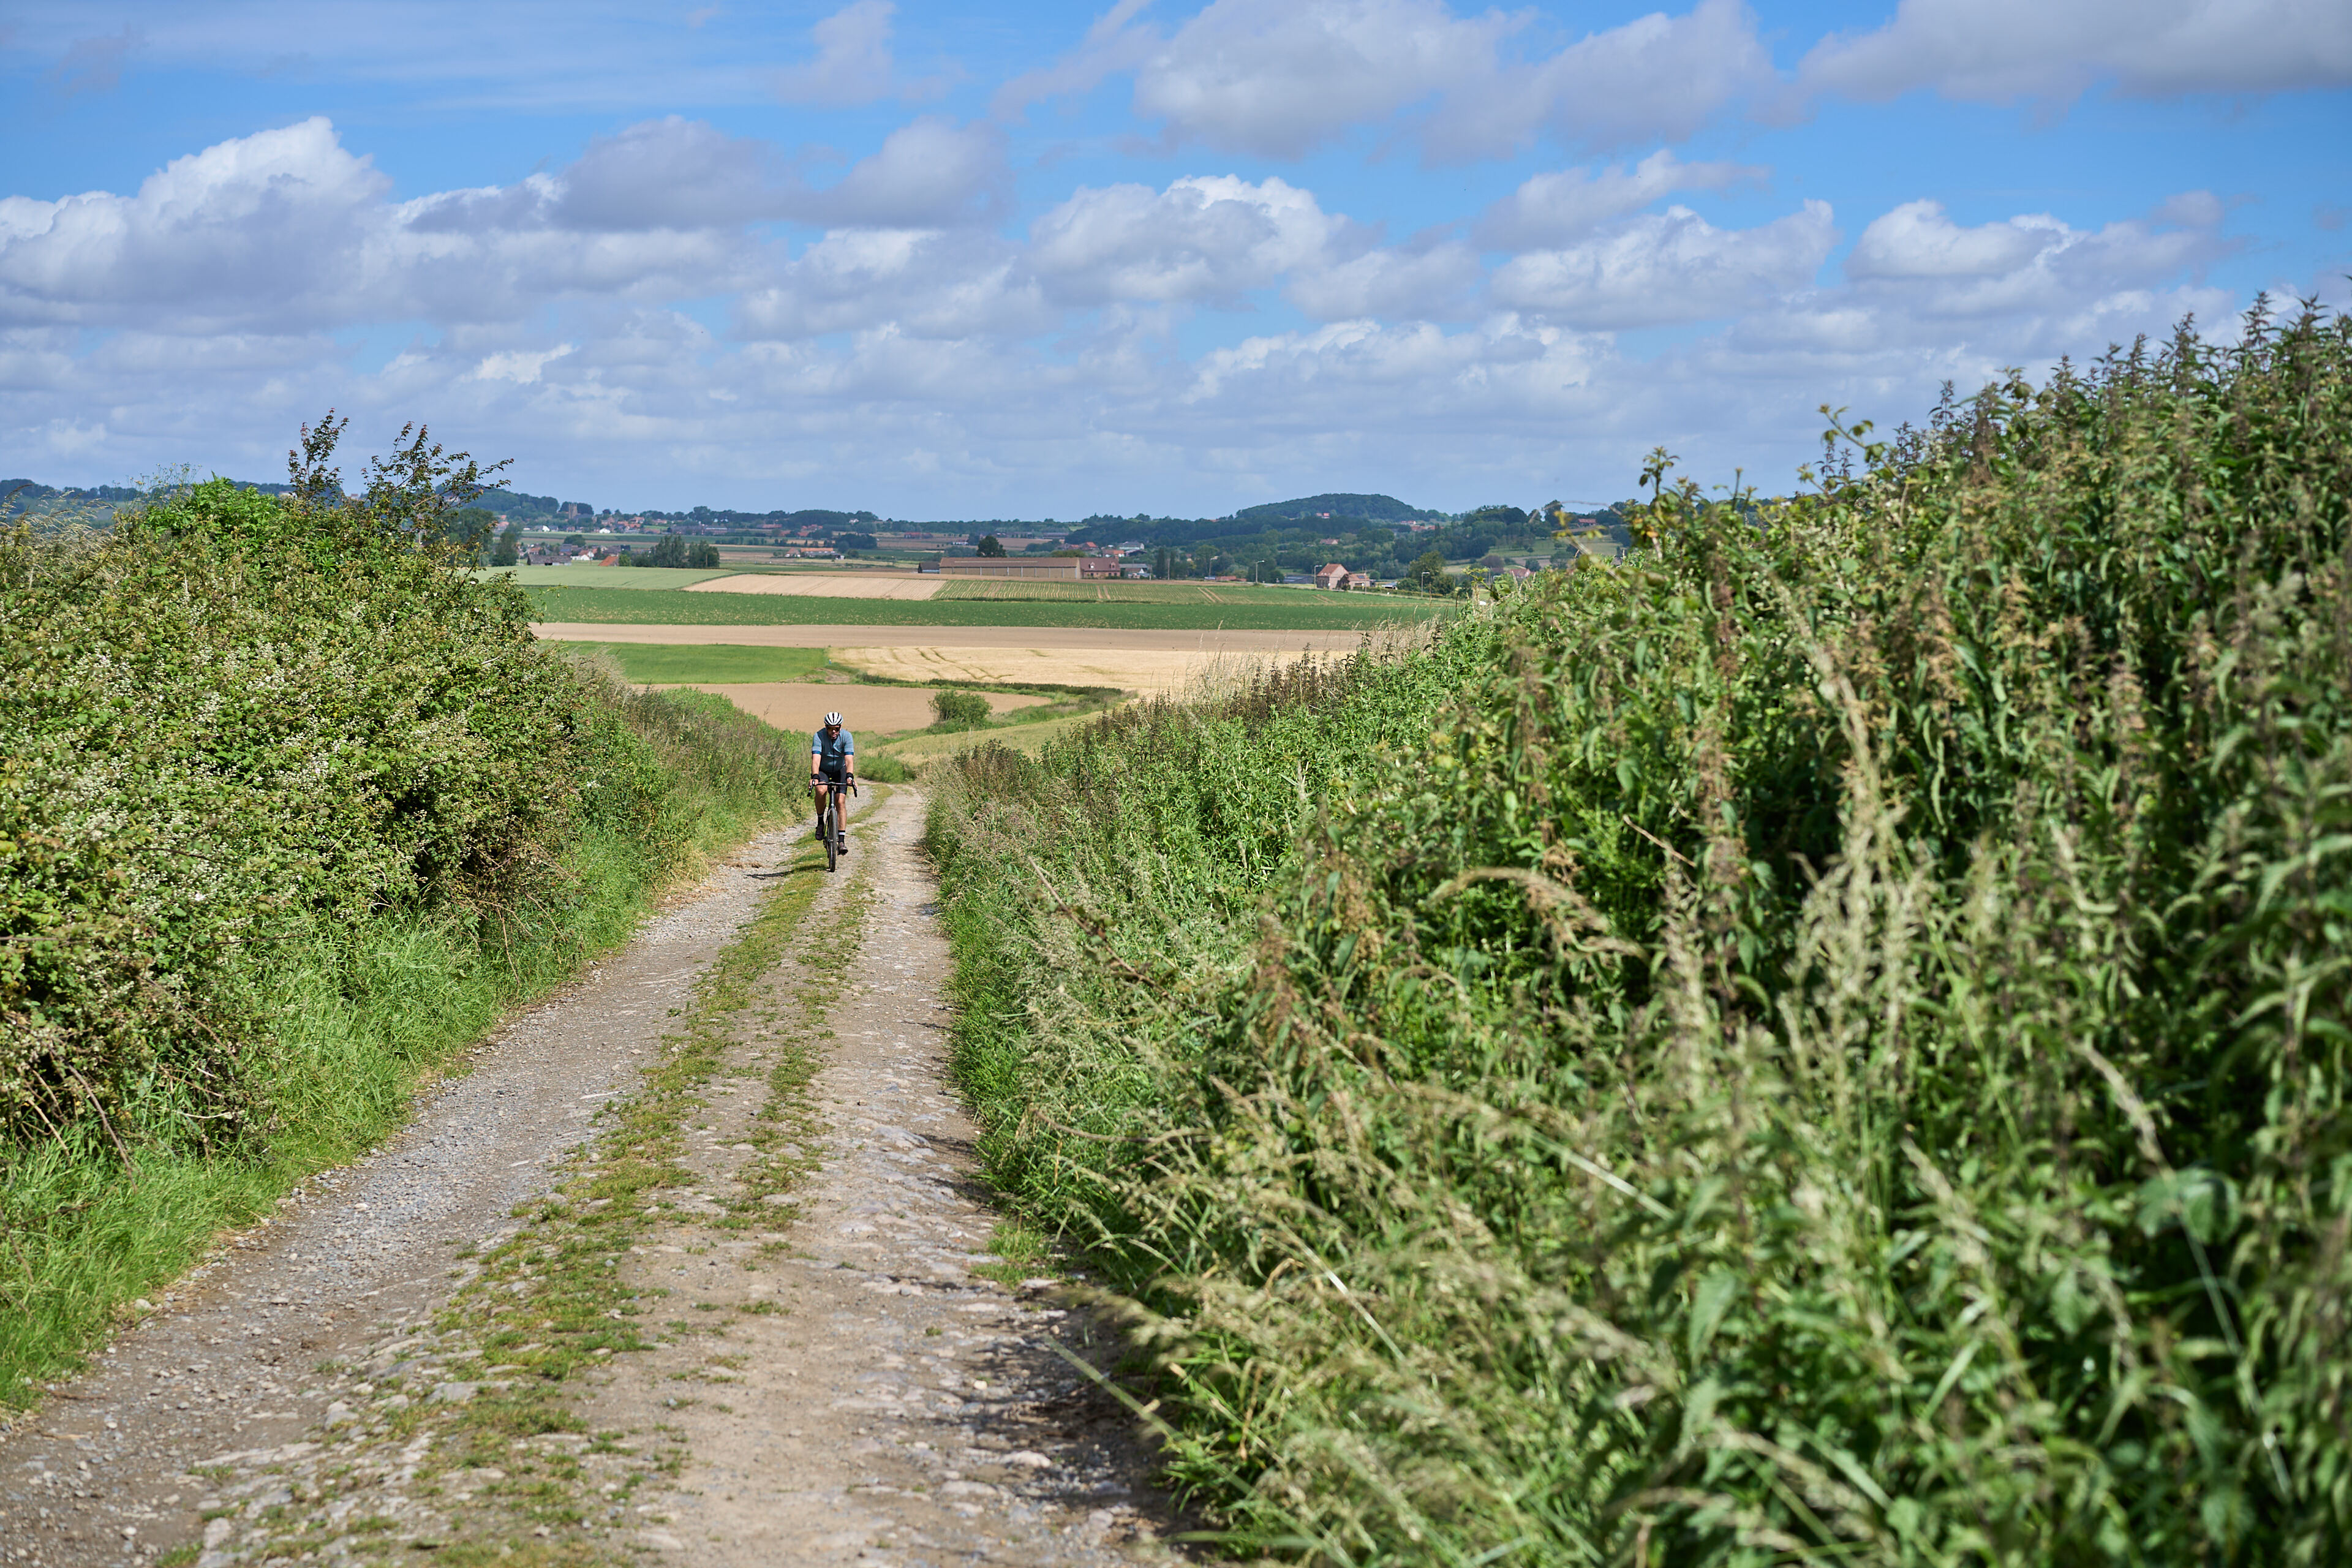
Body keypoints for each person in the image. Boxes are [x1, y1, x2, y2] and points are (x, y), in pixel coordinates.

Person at [810, 711, 855, 854]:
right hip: (823, 769)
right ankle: (820, 823)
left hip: (840, 770)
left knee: (840, 801)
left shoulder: (847, 737)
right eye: (830, 728)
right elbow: (816, 758)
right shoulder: (819, 736)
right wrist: (815, 776)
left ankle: (841, 841)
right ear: (826, 727)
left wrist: (850, 776)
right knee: (821, 790)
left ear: (840, 727)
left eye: (836, 728)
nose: (833, 731)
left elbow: (849, 759)